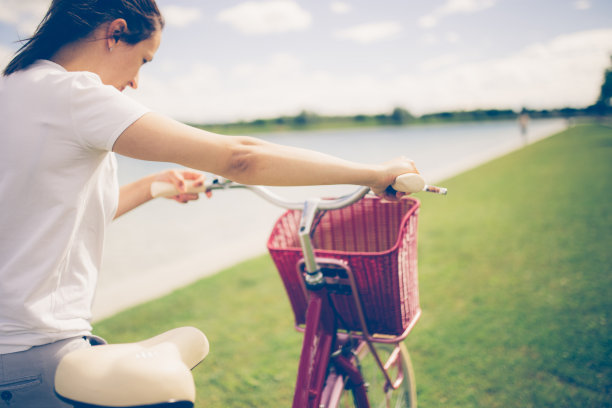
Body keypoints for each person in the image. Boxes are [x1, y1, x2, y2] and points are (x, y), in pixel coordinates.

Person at [0, 1, 419, 406]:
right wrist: (375, 173)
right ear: (115, 33)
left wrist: (150, 186)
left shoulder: (14, 90)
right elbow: (241, 158)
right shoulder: (74, 94)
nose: (135, 83)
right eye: (144, 60)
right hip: (38, 352)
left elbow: (50, 216)